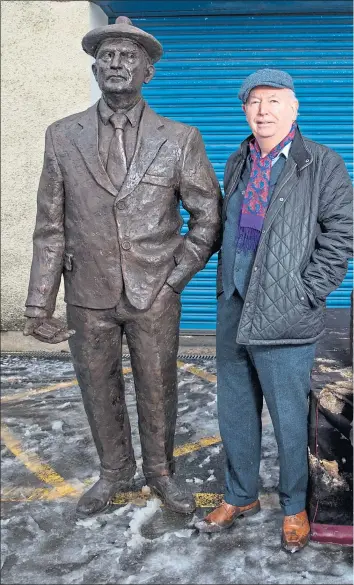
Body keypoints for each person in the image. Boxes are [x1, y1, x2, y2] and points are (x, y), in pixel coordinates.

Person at [24, 16, 221, 518]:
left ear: (148, 71)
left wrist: (175, 278)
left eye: (128, 56)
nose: (116, 64)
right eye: (107, 56)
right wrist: (39, 301)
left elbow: (208, 217)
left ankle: (161, 472)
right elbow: (51, 225)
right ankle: (114, 471)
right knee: (96, 385)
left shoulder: (179, 138)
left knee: (158, 385)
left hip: (154, 291)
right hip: (87, 292)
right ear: (94, 68)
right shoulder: (62, 136)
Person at [195, 69, 352, 552]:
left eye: (274, 101)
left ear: (294, 108)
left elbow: (341, 233)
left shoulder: (322, 164)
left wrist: (308, 291)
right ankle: (241, 495)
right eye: (254, 102)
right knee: (236, 410)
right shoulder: (238, 157)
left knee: (289, 419)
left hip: (286, 313)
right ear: (245, 110)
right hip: (234, 306)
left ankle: (294, 507)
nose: (263, 111)